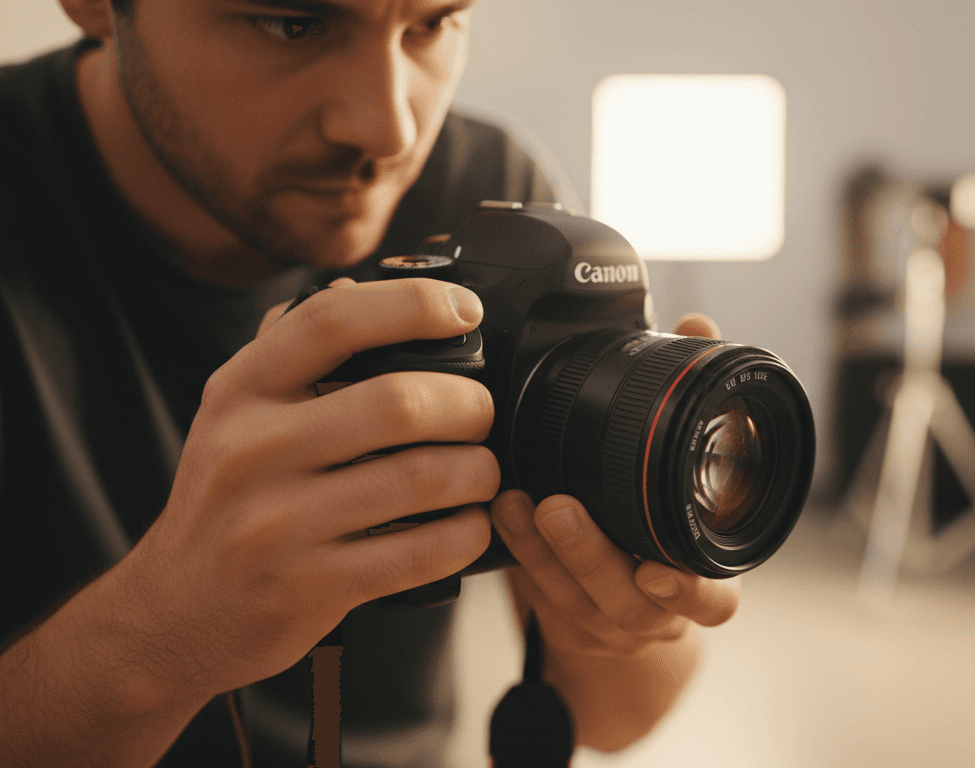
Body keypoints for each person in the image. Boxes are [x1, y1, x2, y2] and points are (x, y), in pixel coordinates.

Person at [0, 0, 740, 765]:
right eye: (295, 24)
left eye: (430, 24)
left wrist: (630, 611)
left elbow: (614, 716)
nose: (390, 129)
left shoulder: (494, 210)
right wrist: (164, 633)